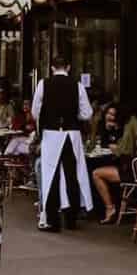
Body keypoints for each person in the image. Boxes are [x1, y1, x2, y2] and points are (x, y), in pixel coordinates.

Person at [32, 58, 93, 232]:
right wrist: (73, 117)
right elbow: (87, 113)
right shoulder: (77, 85)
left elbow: (35, 111)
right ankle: (71, 218)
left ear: (51, 68)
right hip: (71, 134)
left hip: (51, 133)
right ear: (68, 67)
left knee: (51, 175)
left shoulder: (44, 84)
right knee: (72, 174)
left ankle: (52, 219)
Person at [90, 106, 137, 224]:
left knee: (96, 173)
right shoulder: (133, 124)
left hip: (135, 171)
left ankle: (110, 208)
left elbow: (124, 151)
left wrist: (115, 147)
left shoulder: (130, 127)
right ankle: (111, 206)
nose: (110, 117)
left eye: (113, 115)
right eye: (108, 114)